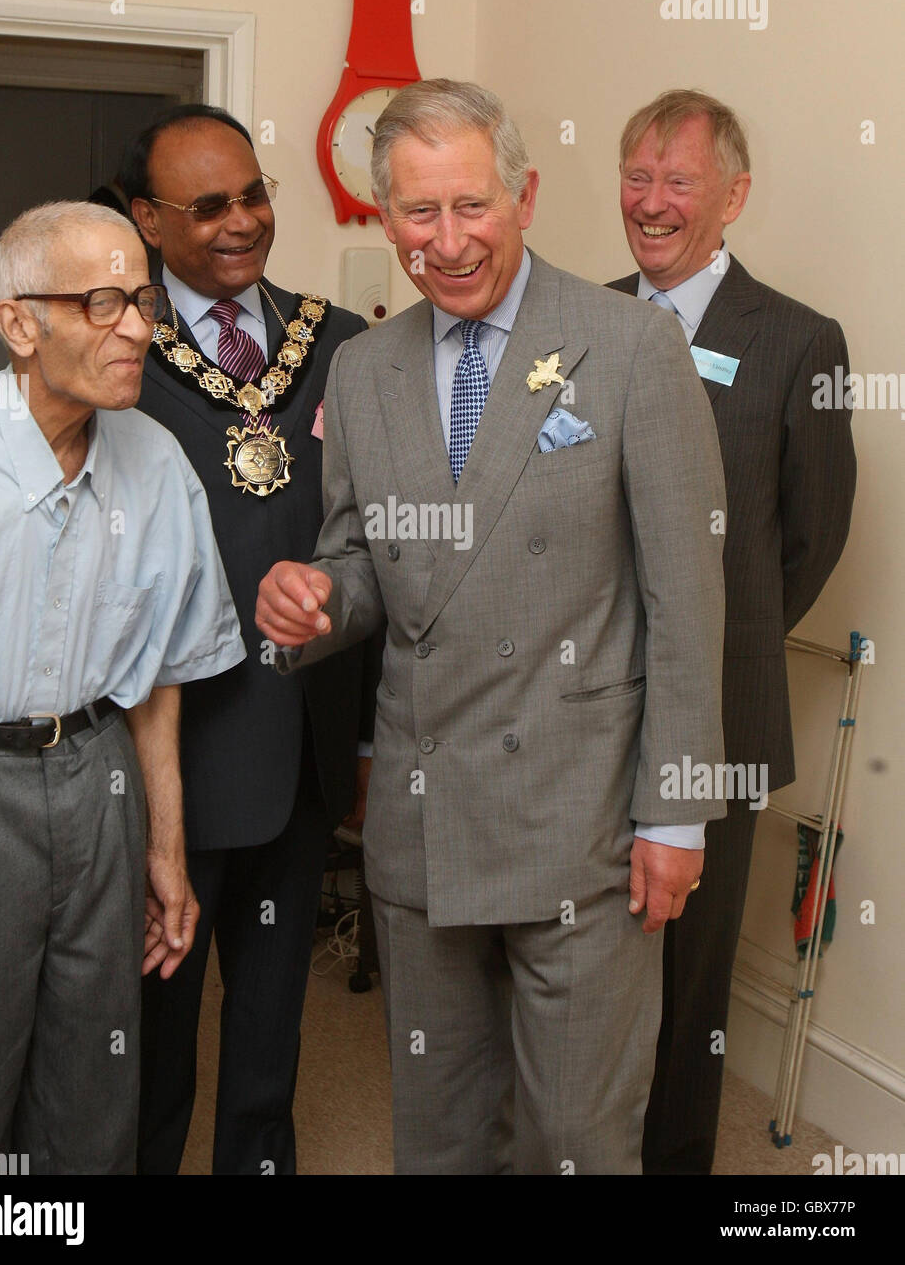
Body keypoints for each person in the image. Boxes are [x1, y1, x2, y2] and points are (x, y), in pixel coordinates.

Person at [256, 79, 727, 1175]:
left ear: (523, 194)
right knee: (440, 1128)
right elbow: (363, 562)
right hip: (424, 826)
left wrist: (679, 816)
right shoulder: (362, 367)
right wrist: (318, 602)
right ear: (385, 218)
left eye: (472, 206)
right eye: (419, 214)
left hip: (587, 818)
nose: (449, 240)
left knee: (575, 1135)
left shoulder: (630, 345)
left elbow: (686, 600)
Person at [0, 201, 245, 1174]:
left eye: (143, 299)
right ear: (21, 323)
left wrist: (164, 848)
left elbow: (157, 686)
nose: (137, 328)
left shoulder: (157, 464)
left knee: (94, 1077)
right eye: (103, 301)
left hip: (101, 773)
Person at [121, 105, 377, 1176]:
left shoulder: (344, 344)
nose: (241, 221)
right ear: (148, 219)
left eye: (255, 194)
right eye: (208, 204)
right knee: (151, 1043)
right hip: (170, 757)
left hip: (304, 749)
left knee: (271, 1042)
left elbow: (370, 539)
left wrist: (364, 740)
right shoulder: (117, 348)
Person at [608, 88, 856, 1175]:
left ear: (732, 196)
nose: (651, 204)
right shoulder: (581, 319)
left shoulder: (801, 341)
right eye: (637, 178)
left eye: (679, 183)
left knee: (690, 976)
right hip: (580, 697)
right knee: (581, 957)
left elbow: (810, 538)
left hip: (723, 709)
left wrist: (715, 642)